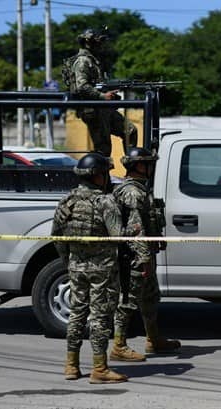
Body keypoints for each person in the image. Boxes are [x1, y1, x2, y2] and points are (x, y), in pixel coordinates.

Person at [52, 152, 128, 384]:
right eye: (105, 173)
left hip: (76, 267)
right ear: (97, 176)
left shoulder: (67, 201)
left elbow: (57, 236)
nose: (107, 177)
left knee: (76, 314)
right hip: (102, 271)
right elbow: (117, 237)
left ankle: (71, 366)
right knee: (100, 317)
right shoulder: (105, 201)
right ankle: (99, 369)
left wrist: (68, 261)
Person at [109, 147, 180, 362]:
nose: (152, 167)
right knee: (128, 300)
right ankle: (119, 345)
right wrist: (144, 260)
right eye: (149, 163)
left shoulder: (139, 189)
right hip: (134, 256)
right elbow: (136, 228)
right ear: (139, 165)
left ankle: (153, 339)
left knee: (150, 297)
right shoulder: (132, 192)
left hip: (144, 254)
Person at [67, 28, 137, 157]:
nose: (101, 45)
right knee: (103, 150)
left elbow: (97, 85)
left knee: (130, 131)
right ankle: (100, 176)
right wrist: (102, 96)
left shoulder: (93, 60)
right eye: (99, 42)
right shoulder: (83, 61)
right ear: (89, 42)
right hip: (93, 110)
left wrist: (109, 94)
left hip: (103, 108)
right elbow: (82, 86)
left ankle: (132, 171)